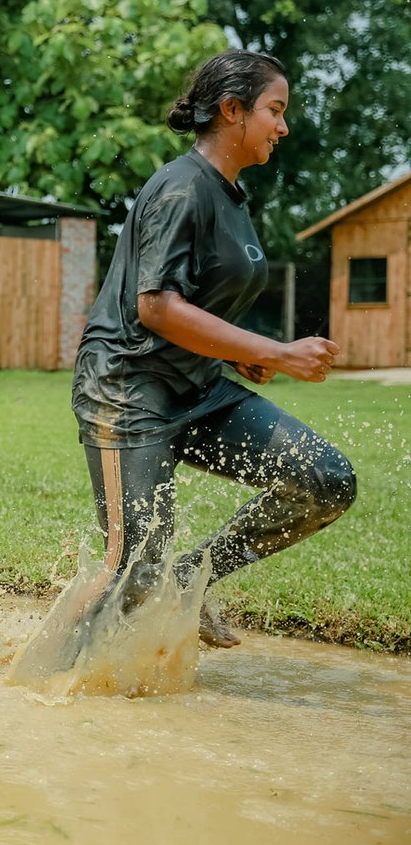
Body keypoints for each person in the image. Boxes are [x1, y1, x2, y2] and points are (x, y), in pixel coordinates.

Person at [70, 48, 356, 648]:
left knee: (324, 481)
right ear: (232, 110)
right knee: (133, 573)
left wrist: (234, 354)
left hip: (198, 388)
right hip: (129, 392)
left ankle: (192, 576)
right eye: (274, 110)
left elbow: (195, 305)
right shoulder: (181, 190)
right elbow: (156, 306)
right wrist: (276, 352)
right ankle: (40, 688)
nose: (283, 125)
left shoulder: (230, 197)